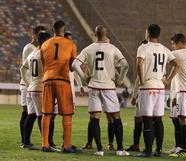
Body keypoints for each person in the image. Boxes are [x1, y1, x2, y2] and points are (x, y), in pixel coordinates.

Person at [72, 25, 129, 156]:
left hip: (94, 87)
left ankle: (99, 149)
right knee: (116, 117)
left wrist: (84, 77)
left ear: (94, 35)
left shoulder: (88, 49)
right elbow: (126, 65)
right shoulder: (112, 48)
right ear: (106, 34)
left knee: (94, 117)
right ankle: (120, 149)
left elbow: (75, 64)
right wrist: (120, 80)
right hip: (108, 87)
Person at [135, 24, 179, 157]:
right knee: (158, 119)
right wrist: (168, 80)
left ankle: (148, 150)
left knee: (147, 119)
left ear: (147, 33)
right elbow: (177, 65)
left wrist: (142, 81)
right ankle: (158, 150)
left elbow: (139, 63)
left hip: (148, 86)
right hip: (160, 87)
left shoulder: (143, 47)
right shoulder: (165, 49)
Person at [40, 20, 77, 153]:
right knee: (67, 114)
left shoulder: (44, 44)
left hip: (47, 79)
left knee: (46, 113)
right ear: (63, 30)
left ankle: (45, 144)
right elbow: (72, 67)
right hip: (63, 80)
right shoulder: (70, 44)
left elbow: (43, 64)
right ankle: (66, 146)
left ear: (53, 29)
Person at [20, 31, 53, 148]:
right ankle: (47, 143)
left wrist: (28, 82)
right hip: (40, 88)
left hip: (31, 88)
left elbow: (22, 68)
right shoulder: (44, 53)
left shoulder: (32, 53)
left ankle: (26, 142)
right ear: (45, 41)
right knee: (43, 116)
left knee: (31, 115)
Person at [126, 40, 148, 152]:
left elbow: (139, 80)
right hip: (153, 91)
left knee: (144, 120)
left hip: (145, 91)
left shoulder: (144, 60)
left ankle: (144, 146)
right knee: (142, 120)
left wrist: (134, 96)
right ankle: (138, 145)